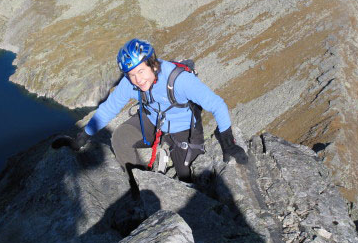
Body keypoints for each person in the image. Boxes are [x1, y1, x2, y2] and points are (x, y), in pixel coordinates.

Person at [55, 38, 247, 182]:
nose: (138, 80)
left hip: (183, 128)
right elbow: (110, 107)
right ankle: (139, 184)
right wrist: (83, 137)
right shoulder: (131, 83)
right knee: (121, 137)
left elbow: (217, 104)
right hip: (153, 120)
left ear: (153, 65)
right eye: (131, 75)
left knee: (186, 176)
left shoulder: (178, 80)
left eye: (141, 71)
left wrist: (228, 143)